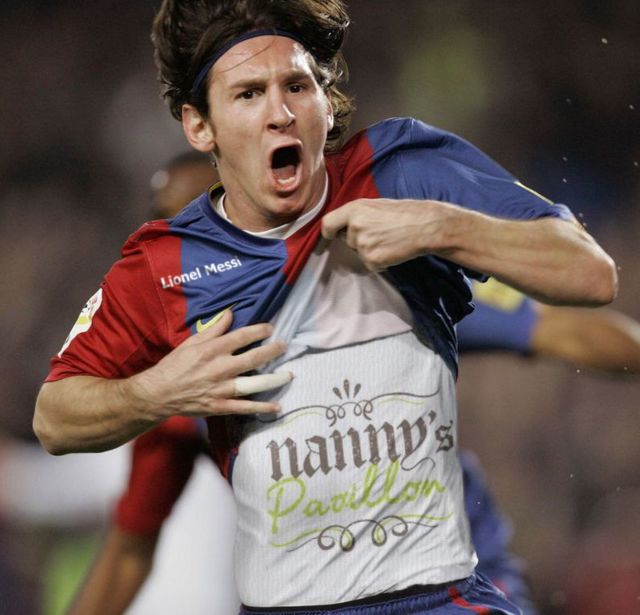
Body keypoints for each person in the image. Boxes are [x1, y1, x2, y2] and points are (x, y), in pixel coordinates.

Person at [34, 1, 618, 613]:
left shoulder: (398, 174)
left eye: (297, 86)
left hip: (438, 598)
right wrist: (157, 391)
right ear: (200, 126)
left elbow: (589, 273)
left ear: (326, 101)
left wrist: (441, 225)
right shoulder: (165, 264)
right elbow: (55, 418)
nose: (280, 113)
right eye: (249, 94)